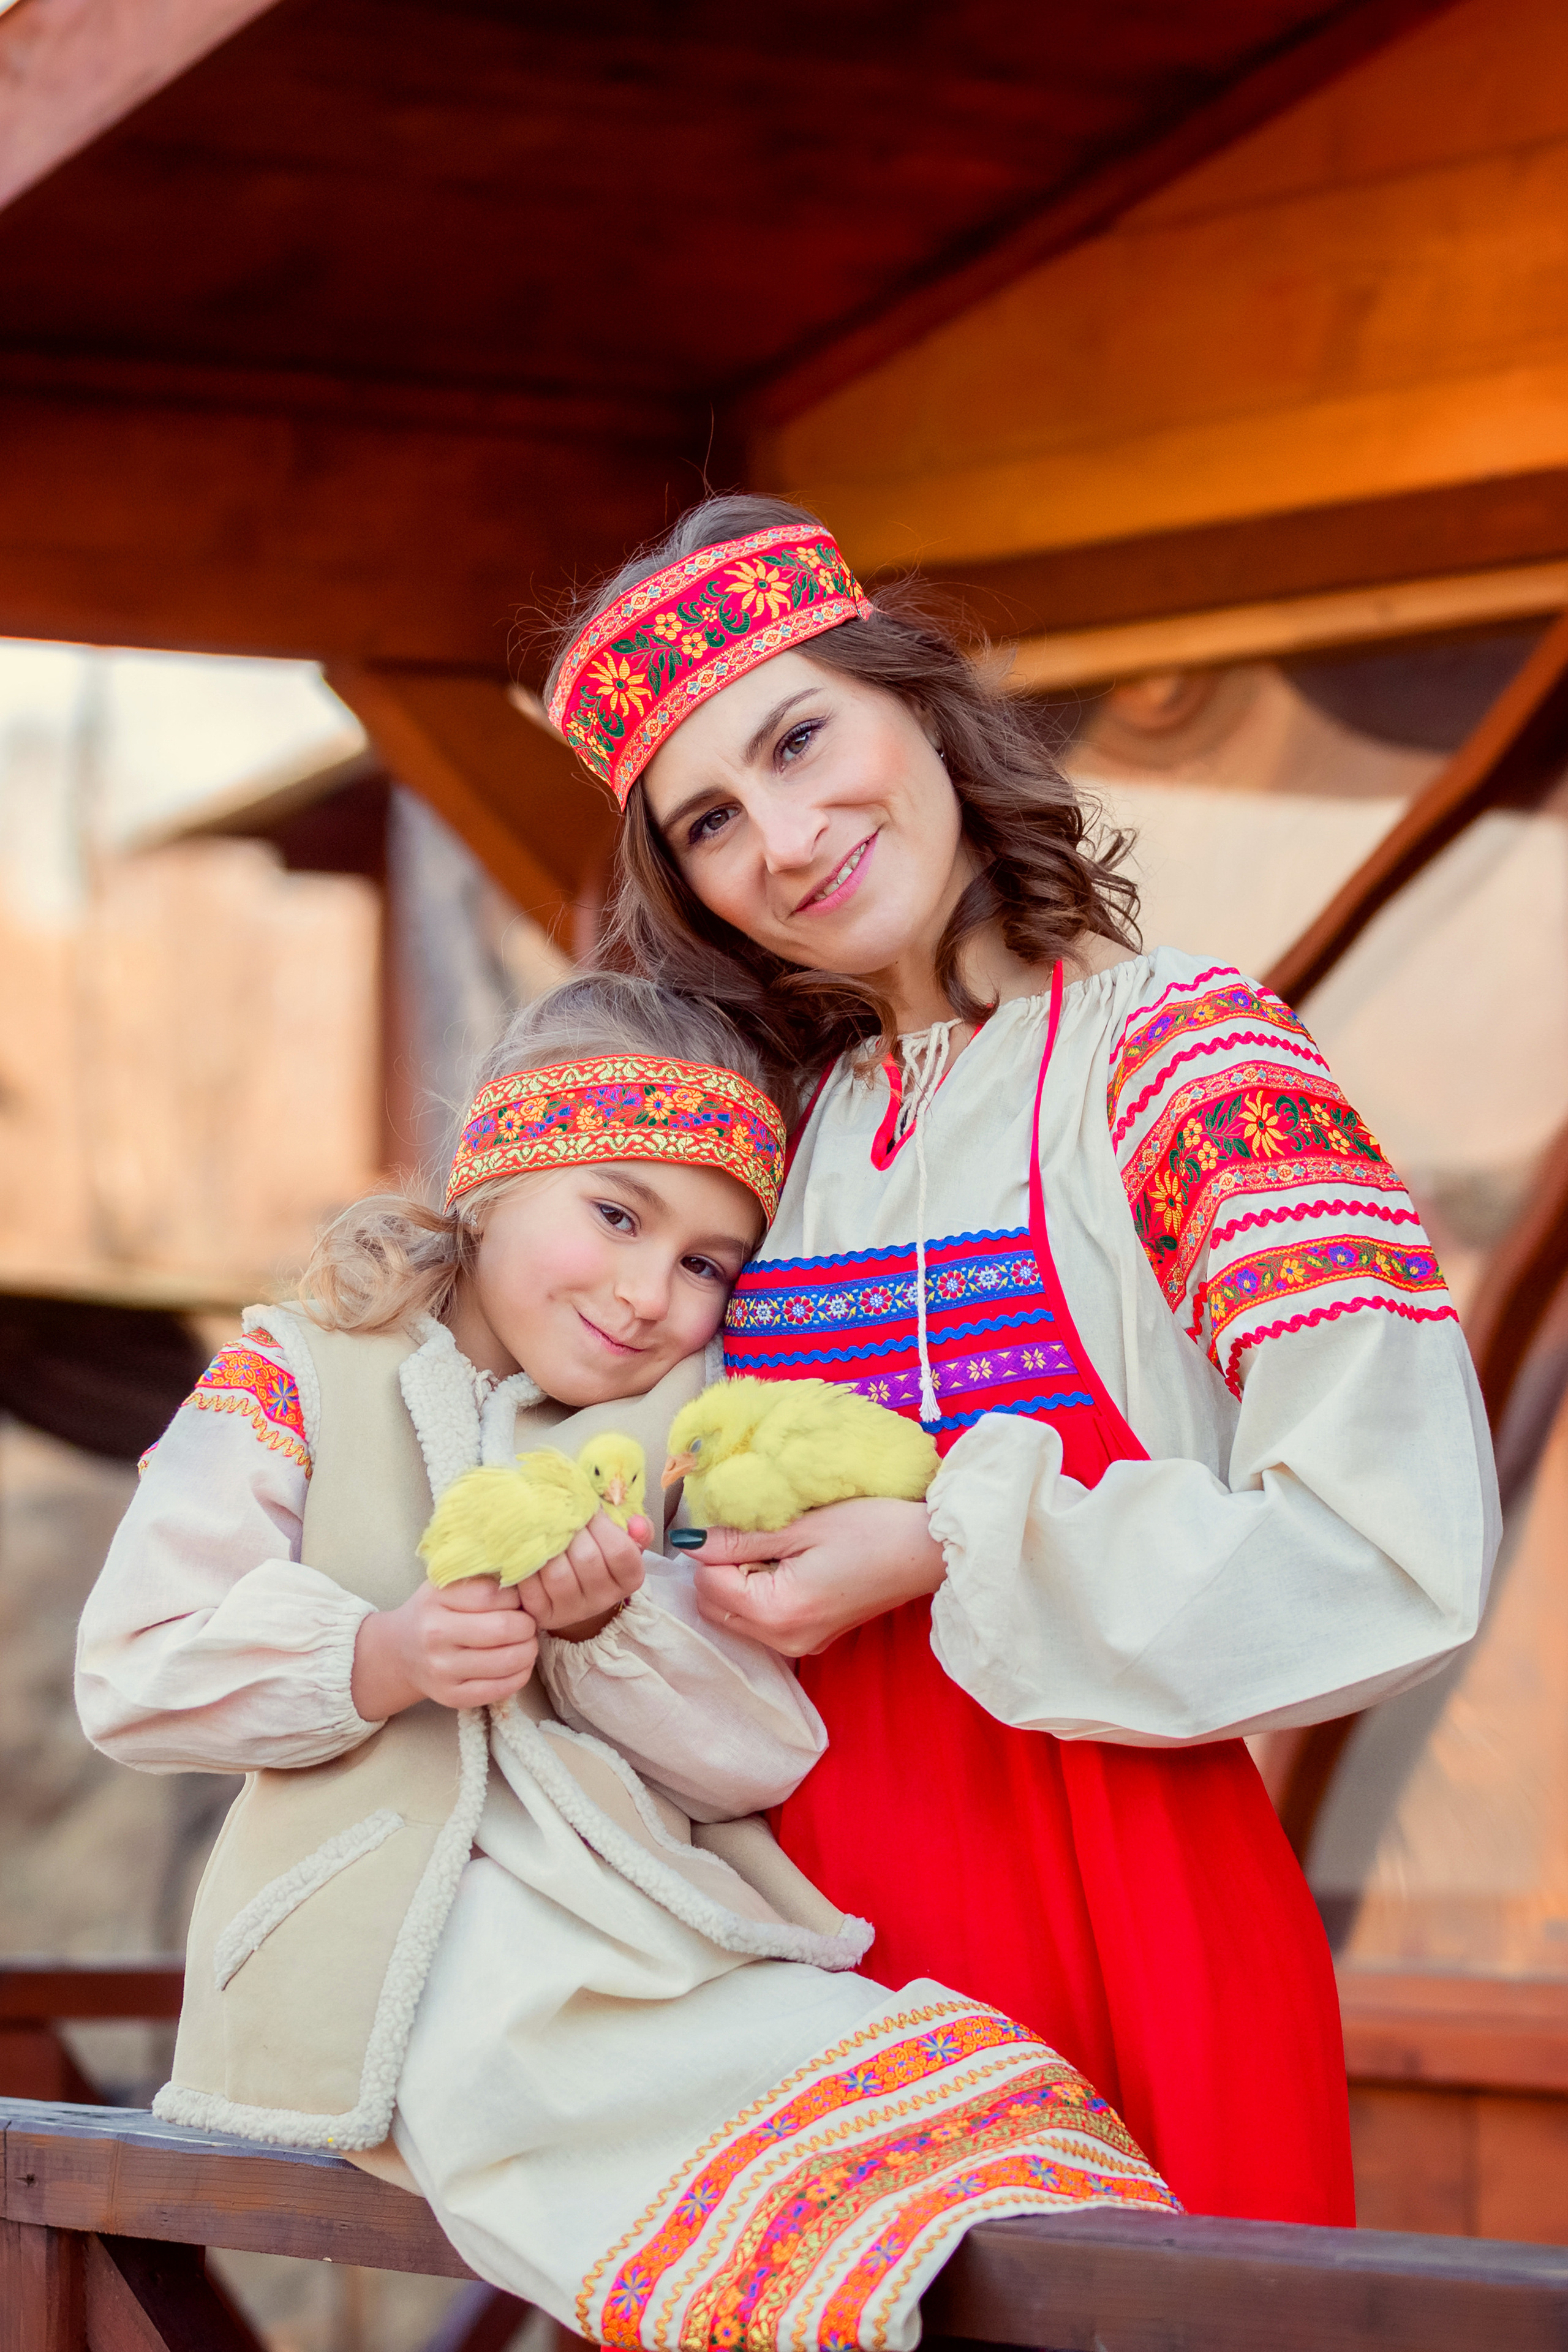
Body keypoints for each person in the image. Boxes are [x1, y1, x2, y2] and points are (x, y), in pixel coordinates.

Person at [543, 496, 1501, 2224]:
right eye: (707, 819)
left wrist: (947, 1540)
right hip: (786, 1976)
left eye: (800, 734)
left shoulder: (1194, 1065)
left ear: (918, 701)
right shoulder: (755, 1148)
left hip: (1124, 1919)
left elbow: (1392, 1547)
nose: (782, 831)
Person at [76, 972, 1175, 2346]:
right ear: (493, 1170)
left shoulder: (679, 1438)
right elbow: (132, 1666)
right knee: (550, 2048)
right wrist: (384, 1651)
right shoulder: (299, 1372)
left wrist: (605, 1637)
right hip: (389, 1958)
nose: (651, 1293)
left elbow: (766, 1753)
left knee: (914, 2136)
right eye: (615, 1214)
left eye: (709, 1262)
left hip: (648, 1941)